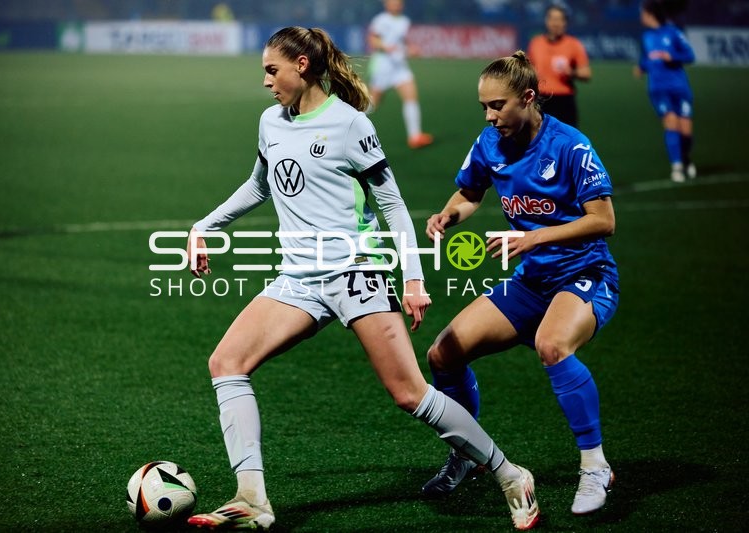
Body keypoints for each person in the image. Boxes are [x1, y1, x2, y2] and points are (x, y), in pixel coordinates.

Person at [185, 27, 539, 531]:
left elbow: (391, 204)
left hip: (357, 271)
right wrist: (204, 226)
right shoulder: (271, 122)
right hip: (300, 276)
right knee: (226, 362)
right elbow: (259, 185)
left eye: (271, 70)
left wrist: (412, 278)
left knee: (410, 394)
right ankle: (252, 499)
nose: (265, 82)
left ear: (302, 66)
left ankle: (510, 474)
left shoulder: (350, 125)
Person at [422, 51, 618, 516]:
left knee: (552, 345)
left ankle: (596, 467)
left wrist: (535, 237)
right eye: (484, 108)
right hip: (531, 282)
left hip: (584, 275)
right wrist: (450, 213)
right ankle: (467, 454)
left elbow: (604, 220)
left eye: (498, 106)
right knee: (443, 353)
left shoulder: (570, 146)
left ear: (528, 98)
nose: (490, 117)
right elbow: (471, 191)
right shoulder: (489, 142)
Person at [634, 0, 696, 183]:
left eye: (643, 13)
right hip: (658, 89)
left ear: (650, 14)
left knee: (685, 131)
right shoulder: (646, 37)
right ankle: (676, 167)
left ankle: (685, 159)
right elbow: (647, 59)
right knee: (671, 124)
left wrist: (673, 57)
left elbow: (690, 56)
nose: (641, 17)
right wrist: (641, 67)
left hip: (679, 87)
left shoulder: (673, 32)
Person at [367, 0, 433, 149]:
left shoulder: (404, 21)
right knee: (372, 104)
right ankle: (347, 125)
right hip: (383, 66)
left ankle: (415, 137)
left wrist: (411, 49)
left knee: (411, 96)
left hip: (399, 66)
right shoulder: (380, 20)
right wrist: (386, 46)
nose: (396, 4)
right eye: (393, 2)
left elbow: (402, 42)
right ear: (386, 4)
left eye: (398, 2)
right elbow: (372, 40)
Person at [526, 4, 591, 127]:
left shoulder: (573, 44)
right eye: (553, 19)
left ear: (565, 23)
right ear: (547, 21)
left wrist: (572, 72)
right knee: (540, 141)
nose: (556, 23)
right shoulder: (536, 43)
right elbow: (528, 70)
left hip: (564, 100)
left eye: (560, 20)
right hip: (541, 100)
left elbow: (586, 73)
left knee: (567, 141)